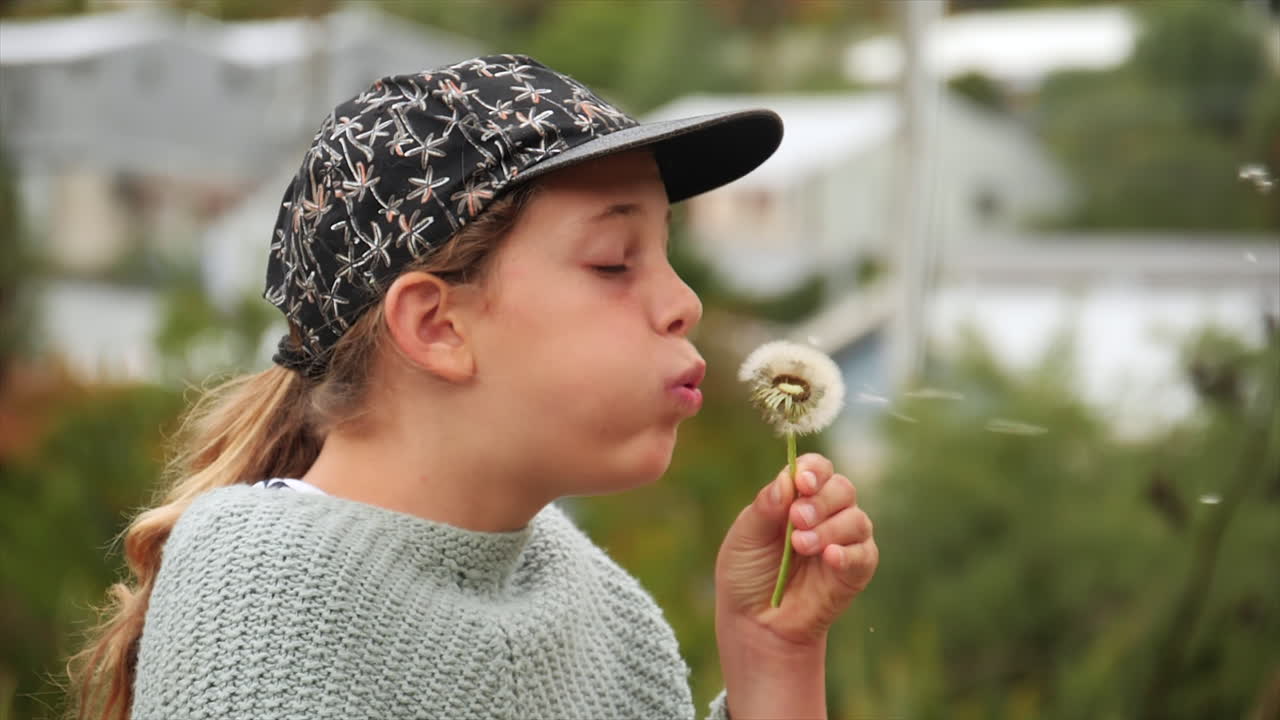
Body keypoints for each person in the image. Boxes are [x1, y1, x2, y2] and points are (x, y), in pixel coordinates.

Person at [69, 54, 878, 720]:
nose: (684, 304)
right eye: (612, 262)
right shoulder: (257, 588)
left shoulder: (608, 619)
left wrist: (775, 665)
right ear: (435, 326)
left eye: (667, 253)